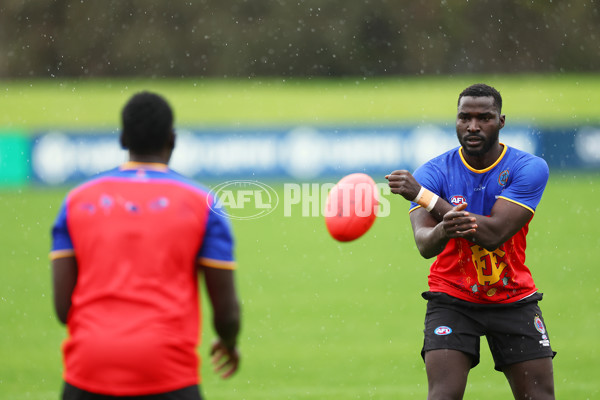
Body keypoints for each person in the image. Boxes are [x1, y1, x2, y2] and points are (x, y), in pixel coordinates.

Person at [50, 92, 241, 400]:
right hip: (167, 373)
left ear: (123, 139)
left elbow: (63, 309)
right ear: (173, 139)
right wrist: (228, 343)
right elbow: (227, 313)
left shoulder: (76, 201)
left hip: (87, 371)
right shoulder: (203, 204)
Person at [386, 83, 556, 399]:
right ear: (456, 120)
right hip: (452, 297)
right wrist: (443, 229)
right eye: (465, 117)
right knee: (443, 395)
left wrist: (426, 198)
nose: (473, 126)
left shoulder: (528, 168)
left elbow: (494, 234)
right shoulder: (433, 172)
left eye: (484, 117)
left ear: (501, 121)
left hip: (513, 296)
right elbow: (425, 244)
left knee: (540, 397)